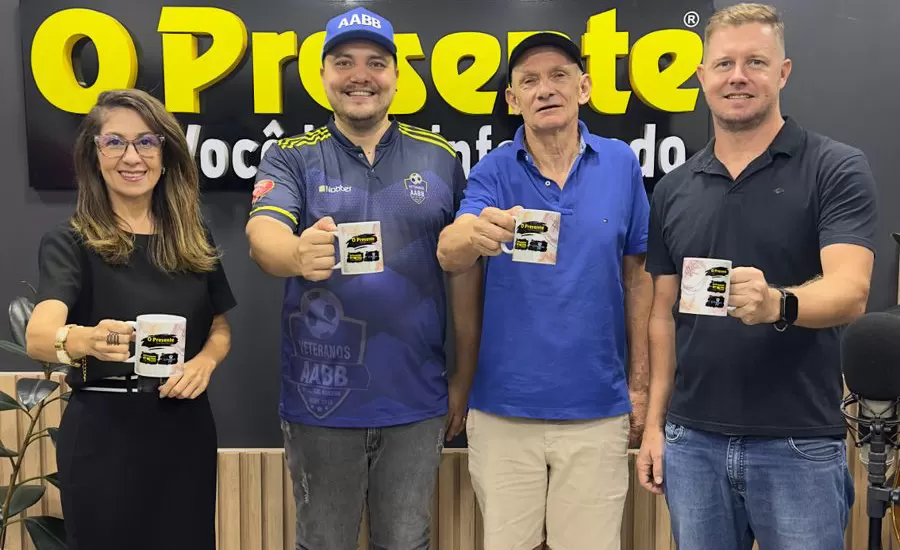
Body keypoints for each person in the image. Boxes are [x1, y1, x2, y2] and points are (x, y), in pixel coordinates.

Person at [636, 4, 877, 549]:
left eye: (756, 62)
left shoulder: (834, 167)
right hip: (692, 443)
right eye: (724, 64)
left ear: (783, 72)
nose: (738, 76)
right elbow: (663, 318)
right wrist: (654, 426)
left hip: (798, 445)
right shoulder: (673, 189)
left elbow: (851, 290)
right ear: (702, 76)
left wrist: (778, 304)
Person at [244, 7, 479, 550]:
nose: (360, 76)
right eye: (344, 62)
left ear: (395, 75)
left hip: (416, 399)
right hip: (321, 399)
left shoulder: (440, 158)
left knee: (407, 542)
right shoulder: (292, 157)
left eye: (376, 63)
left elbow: (464, 273)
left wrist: (463, 377)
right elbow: (262, 237)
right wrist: (296, 253)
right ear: (323, 74)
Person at [437, 32, 652, 550]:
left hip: (598, 408)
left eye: (559, 76)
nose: (545, 89)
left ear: (584, 87)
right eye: (529, 81)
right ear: (513, 100)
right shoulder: (493, 170)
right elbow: (449, 251)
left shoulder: (621, 163)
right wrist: (473, 234)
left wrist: (640, 383)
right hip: (503, 410)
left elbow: (638, 276)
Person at [24, 89, 236, 550]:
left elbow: (219, 327)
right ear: (94, 154)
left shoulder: (192, 236)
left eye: (146, 142)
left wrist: (205, 363)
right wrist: (86, 339)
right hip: (104, 435)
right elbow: (38, 336)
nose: (132, 157)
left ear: (165, 153)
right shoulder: (71, 240)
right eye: (114, 142)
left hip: (185, 430)